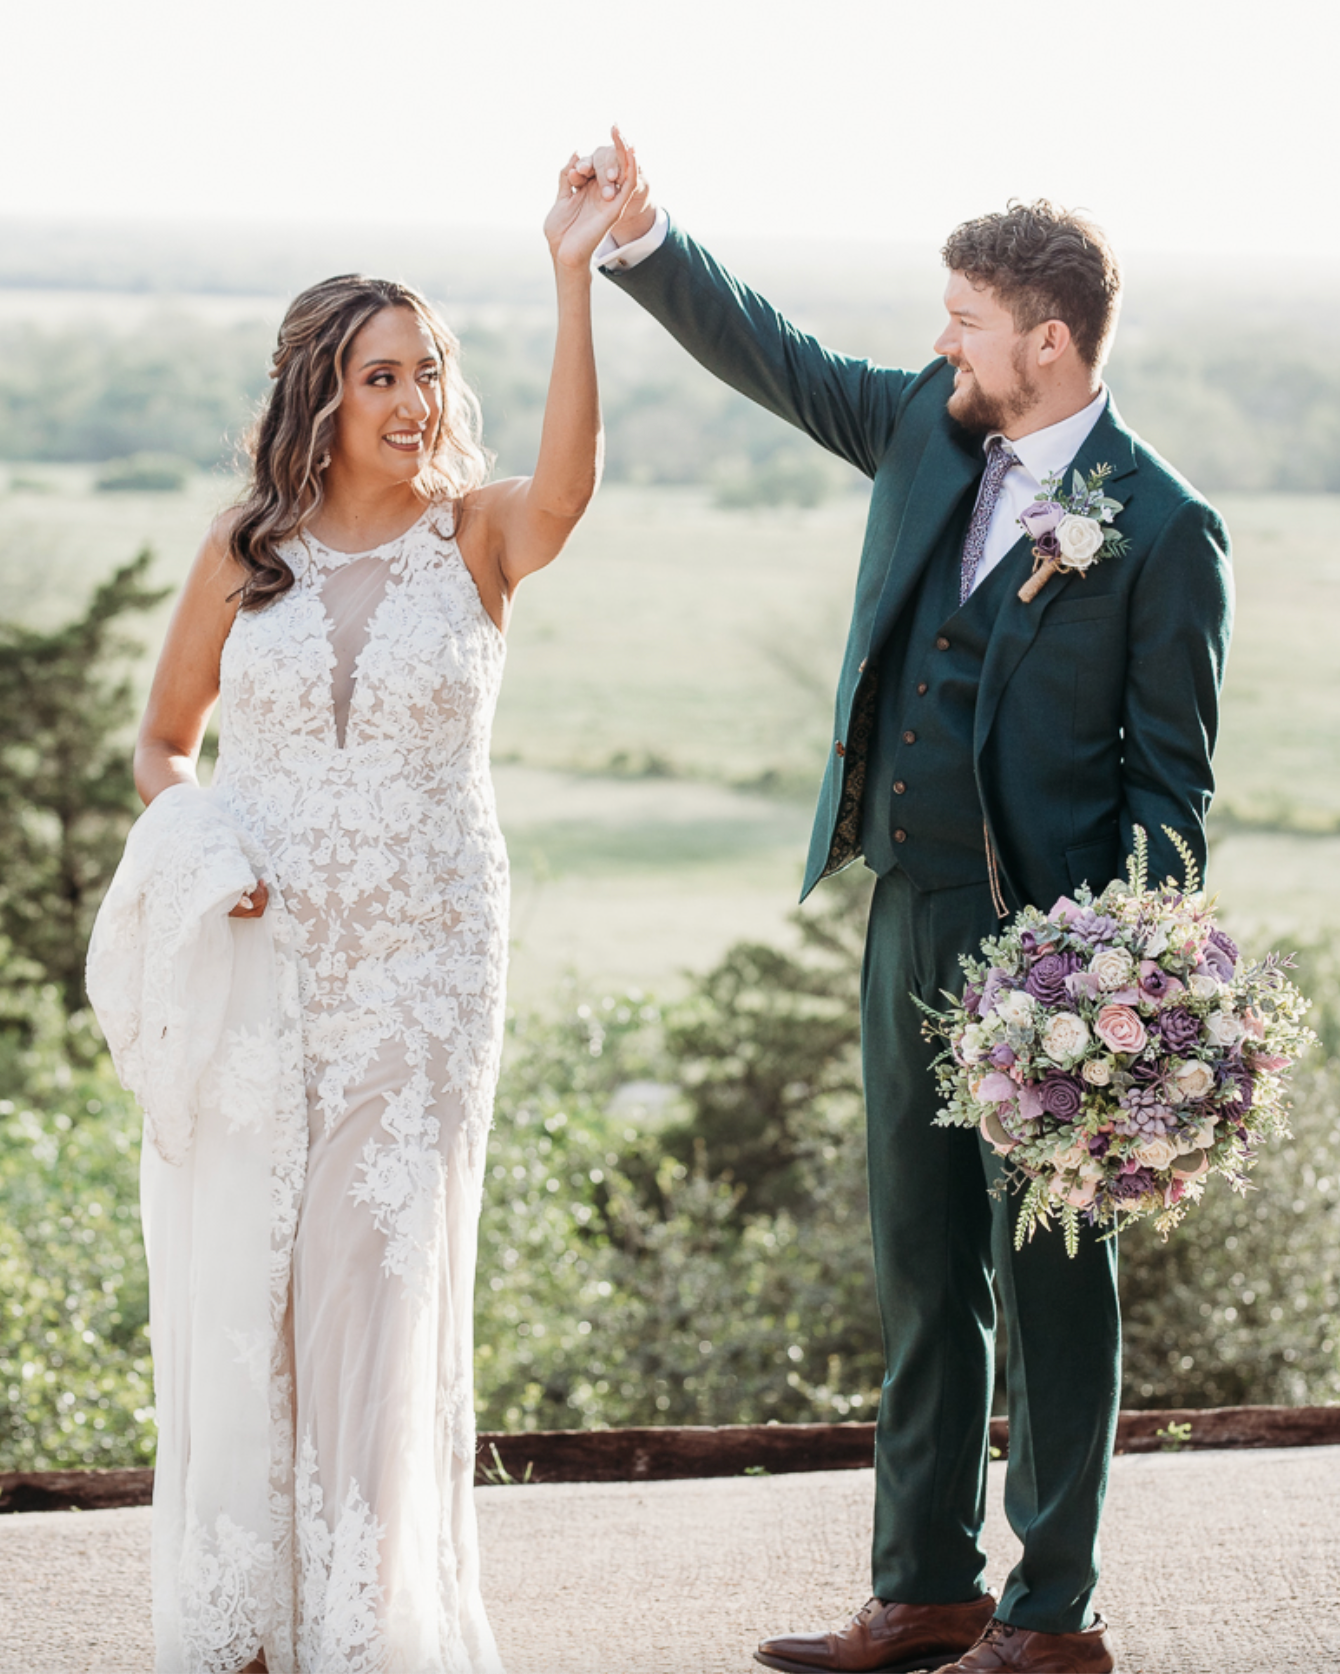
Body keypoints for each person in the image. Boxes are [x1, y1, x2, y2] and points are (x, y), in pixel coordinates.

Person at [574, 145, 1231, 1674]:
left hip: (1055, 969)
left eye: (966, 317)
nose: (945, 340)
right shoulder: (924, 434)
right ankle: (924, 1584)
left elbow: (1171, 797)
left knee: (1055, 1281)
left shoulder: (1168, 527)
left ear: (1047, 339)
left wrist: (1105, 982)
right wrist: (645, 237)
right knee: (922, 1268)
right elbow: (776, 355)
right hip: (907, 919)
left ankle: (1053, 1612)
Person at [115, 131, 640, 1673]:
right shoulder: (245, 551)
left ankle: (368, 1623)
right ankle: (258, 1619)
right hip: (265, 971)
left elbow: (574, 484)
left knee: (376, 1283)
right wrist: (205, 851)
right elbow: (162, 741)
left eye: (428, 370)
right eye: (381, 377)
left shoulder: (476, 534)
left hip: (422, 972)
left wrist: (571, 274)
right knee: (256, 1282)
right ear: (320, 400)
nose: (415, 401)